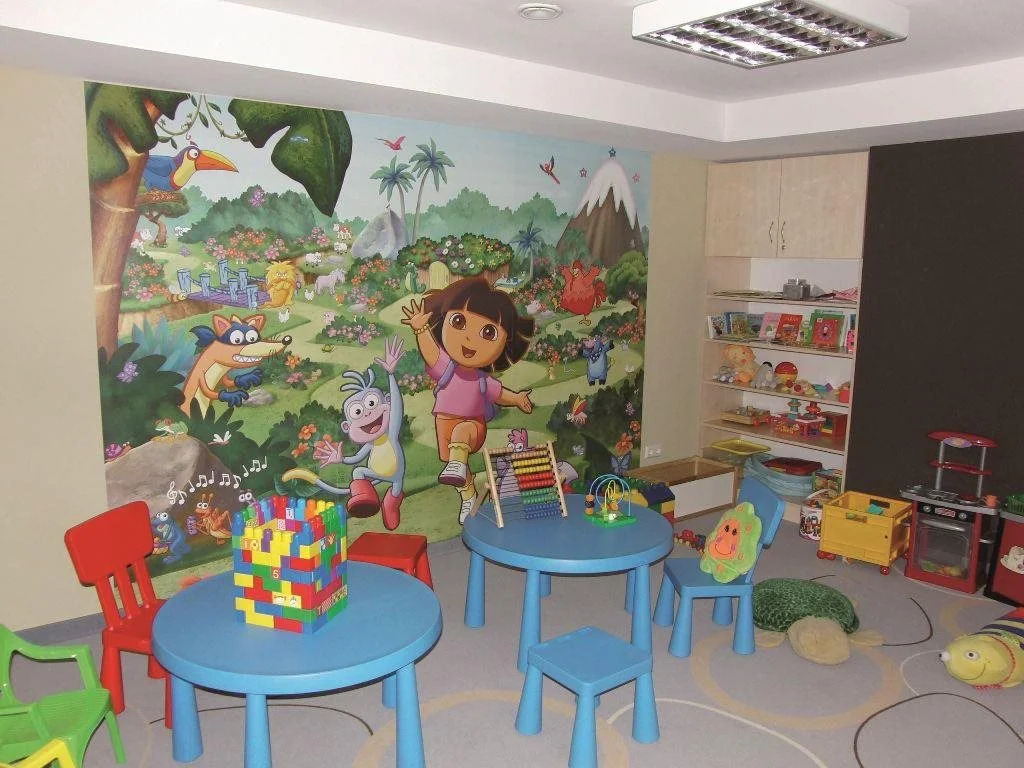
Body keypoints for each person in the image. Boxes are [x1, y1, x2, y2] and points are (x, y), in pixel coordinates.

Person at [401, 277, 536, 523]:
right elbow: (431, 352)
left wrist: (517, 398)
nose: (470, 339)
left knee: (461, 436)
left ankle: (459, 468)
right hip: (443, 422)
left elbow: (499, 394)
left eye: (488, 332)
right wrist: (421, 329)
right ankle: (468, 496)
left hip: (473, 425)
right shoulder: (447, 367)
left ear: (505, 342)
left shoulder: (482, 379)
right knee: (457, 472)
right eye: (459, 322)